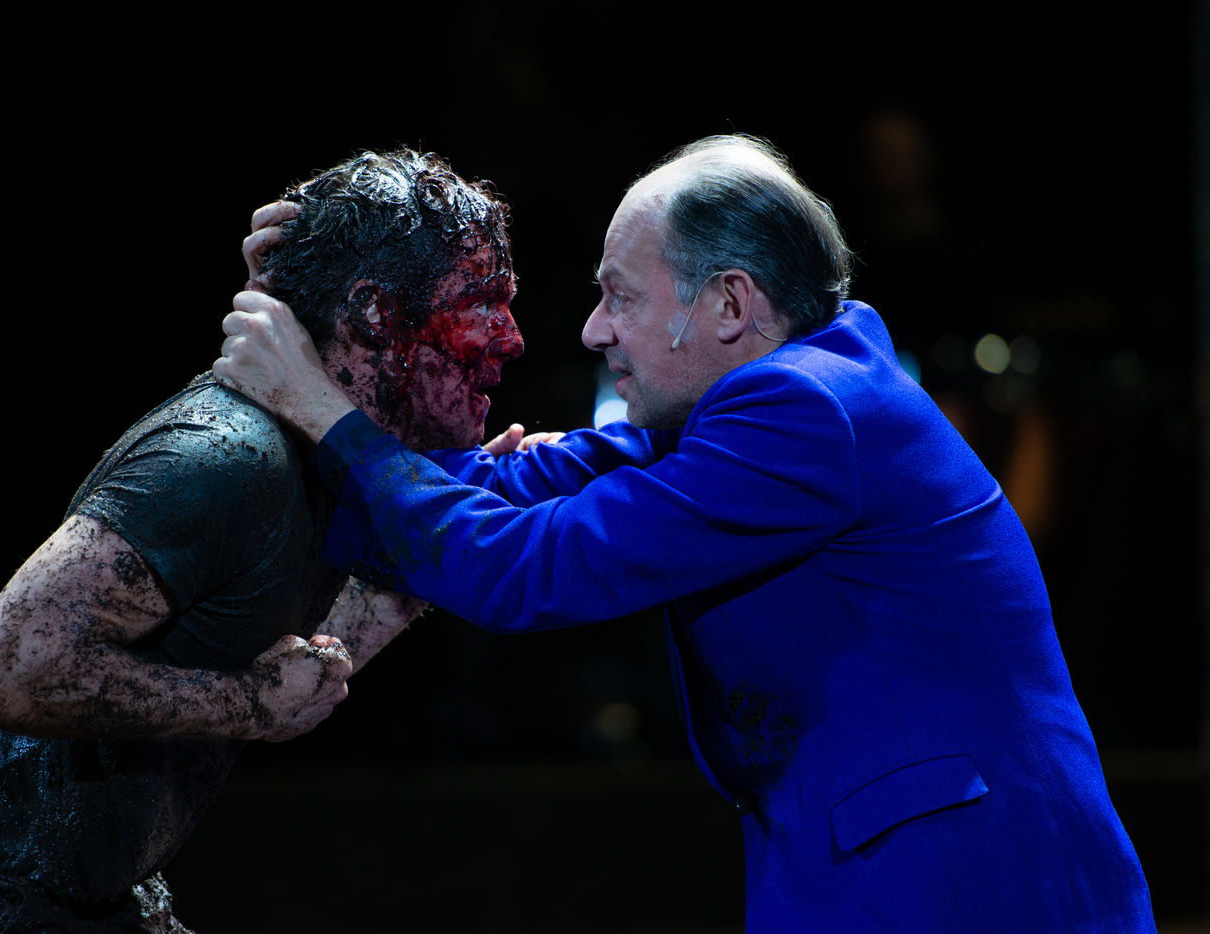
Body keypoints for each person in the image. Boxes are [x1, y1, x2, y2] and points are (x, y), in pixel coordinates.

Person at [214, 135, 1155, 931]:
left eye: (620, 296)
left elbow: (524, 568)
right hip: (878, 872)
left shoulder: (804, 413)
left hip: (967, 884)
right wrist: (315, 338)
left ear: (730, 304)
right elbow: (498, 491)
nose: (593, 331)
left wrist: (319, 408)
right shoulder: (747, 407)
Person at [0, 149, 523, 933]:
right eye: (482, 303)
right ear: (373, 313)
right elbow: (1, 670)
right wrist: (247, 703)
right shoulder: (227, 456)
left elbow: (295, 679)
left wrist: (434, 544)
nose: (512, 339)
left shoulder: (322, 464)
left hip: (81, 899)